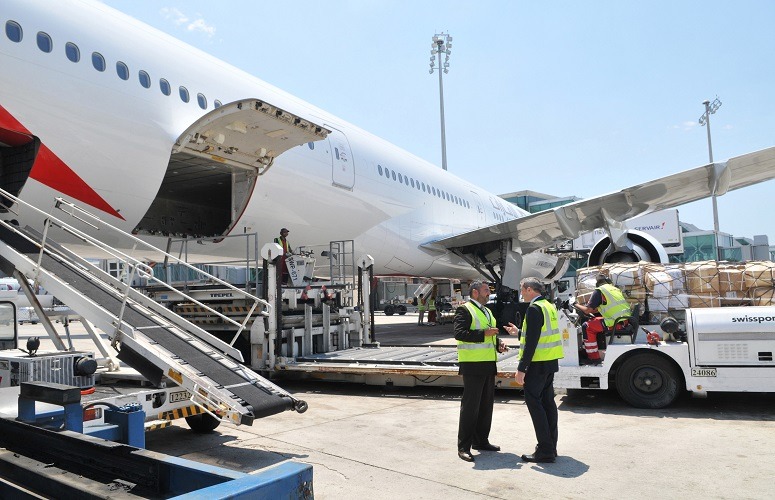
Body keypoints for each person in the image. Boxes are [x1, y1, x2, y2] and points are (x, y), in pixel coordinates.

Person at [504, 277, 563, 463]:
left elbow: (532, 342)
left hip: (537, 364)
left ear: (530, 289)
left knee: (535, 404)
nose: (521, 293)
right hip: (549, 362)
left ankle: (544, 449)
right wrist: (519, 332)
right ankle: (551, 446)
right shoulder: (548, 306)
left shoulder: (534, 308)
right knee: (548, 404)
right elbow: (538, 334)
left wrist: (522, 368)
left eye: (522, 289)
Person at [454, 279, 508, 463]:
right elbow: (460, 334)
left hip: (488, 364)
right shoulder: (465, 309)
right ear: (475, 292)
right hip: (472, 365)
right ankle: (463, 447)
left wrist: (498, 343)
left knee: (486, 405)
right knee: (470, 407)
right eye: (485, 290)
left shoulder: (487, 311)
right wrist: (484, 335)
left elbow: (490, 333)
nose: (488, 293)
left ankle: (481, 441)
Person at [575, 274, 630, 364]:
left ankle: (593, 358)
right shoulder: (615, 289)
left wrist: (575, 304)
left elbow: (588, 310)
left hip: (615, 323)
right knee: (595, 320)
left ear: (598, 284)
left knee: (587, 326)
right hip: (623, 320)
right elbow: (599, 308)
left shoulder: (600, 291)